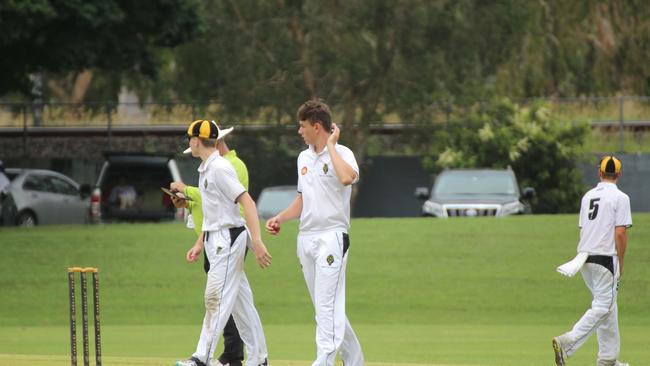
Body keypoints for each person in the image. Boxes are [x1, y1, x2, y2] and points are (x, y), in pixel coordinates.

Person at [265, 100, 364, 365]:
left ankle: (323, 360)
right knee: (324, 307)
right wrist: (281, 218)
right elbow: (302, 200)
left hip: (332, 235)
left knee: (326, 306)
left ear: (317, 126)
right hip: (306, 238)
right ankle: (355, 359)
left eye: (303, 126)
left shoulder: (343, 152)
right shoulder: (303, 158)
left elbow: (346, 178)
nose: (300, 131)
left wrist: (331, 146)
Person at [175, 119, 271, 366]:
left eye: (190, 139)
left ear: (196, 140)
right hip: (216, 239)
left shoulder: (219, 168)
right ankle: (259, 359)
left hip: (228, 240)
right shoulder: (207, 168)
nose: (189, 143)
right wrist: (199, 241)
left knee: (214, 298)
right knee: (241, 305)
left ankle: (201, 358)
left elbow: (247, 203)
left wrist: (257, 242)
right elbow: (214, 213)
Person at [552, 156, 633, 366]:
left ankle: (608, 360)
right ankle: (568, 341)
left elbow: (583, 228)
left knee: (609, 306)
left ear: (599, 173)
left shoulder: (588, 196)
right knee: (604, 307)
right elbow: (621, 232)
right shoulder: (621, 197)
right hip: (606, 258)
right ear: (619, 174)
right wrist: (621, 262)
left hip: (584, 258)